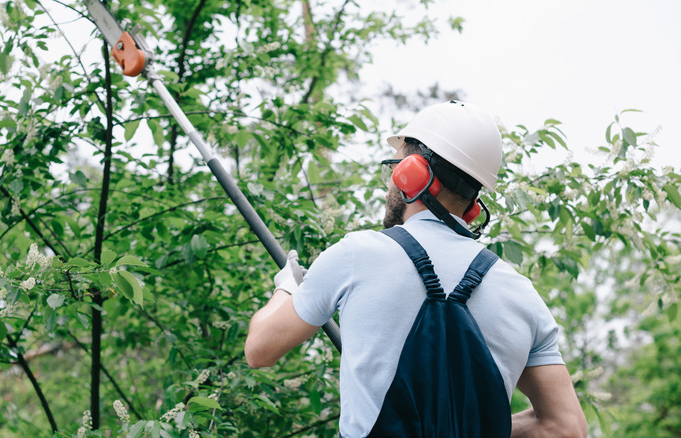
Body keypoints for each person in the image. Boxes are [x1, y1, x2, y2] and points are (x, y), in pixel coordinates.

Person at [244, 101, 587, 437]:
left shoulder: (354, 255)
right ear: (473, 205)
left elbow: (259, 350)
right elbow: (566, 427)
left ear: (411, 173)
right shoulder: (521, 294)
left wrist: (287, 287)